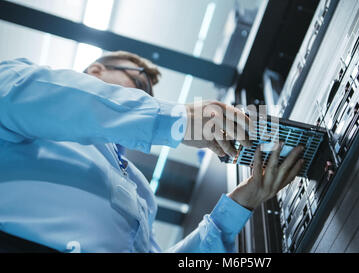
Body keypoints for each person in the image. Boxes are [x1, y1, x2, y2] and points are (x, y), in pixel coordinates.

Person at [0, 51, 304, 253]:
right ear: (96, 70)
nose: (143, 97)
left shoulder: (139, 192)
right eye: (139, 82)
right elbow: (49, 96)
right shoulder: (21, 86)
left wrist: (240, 204)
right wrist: (176, 120)